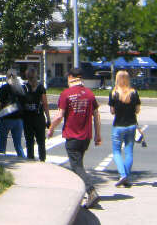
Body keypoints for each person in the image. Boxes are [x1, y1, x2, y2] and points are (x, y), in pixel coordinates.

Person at [48, 67, 102, 209]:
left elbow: (60, 115)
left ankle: (91, 191)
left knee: (76, 166)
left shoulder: (66, 94)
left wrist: (51, 128)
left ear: (71, 77)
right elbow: (96, 115)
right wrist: (98, 134)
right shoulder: (90, 94)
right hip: (86, 137)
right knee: (79, 164)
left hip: (72, 136)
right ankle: (83, 192)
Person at [108, 70, 141, 187]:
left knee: (116, 151)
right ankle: (126, 175)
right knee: (129, 152)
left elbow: (112, 111)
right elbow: (137, 110)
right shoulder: (134, 93)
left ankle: (122, 174)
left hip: (118, 125)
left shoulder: (114, 93)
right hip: (131, 124)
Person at [0, 69, 26, 157]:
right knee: (18, 145)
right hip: (18, 118)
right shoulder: (21, 88)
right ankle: (23, 160)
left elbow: (0, 104)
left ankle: (2, 162)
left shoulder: (4, 88)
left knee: (2, 143)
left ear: (7, 77)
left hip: (6, 117)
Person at [21, 67, 50, 161]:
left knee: (29, 140)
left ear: (27, 76)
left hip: (27, 117)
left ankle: (30, 159)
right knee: (41, 141)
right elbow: (45, 104)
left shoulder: (24, 87)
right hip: (39, 116)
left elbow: (20, 103)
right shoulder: (40, 87)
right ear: (36, 75)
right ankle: (42, 160)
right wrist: (48, 118)